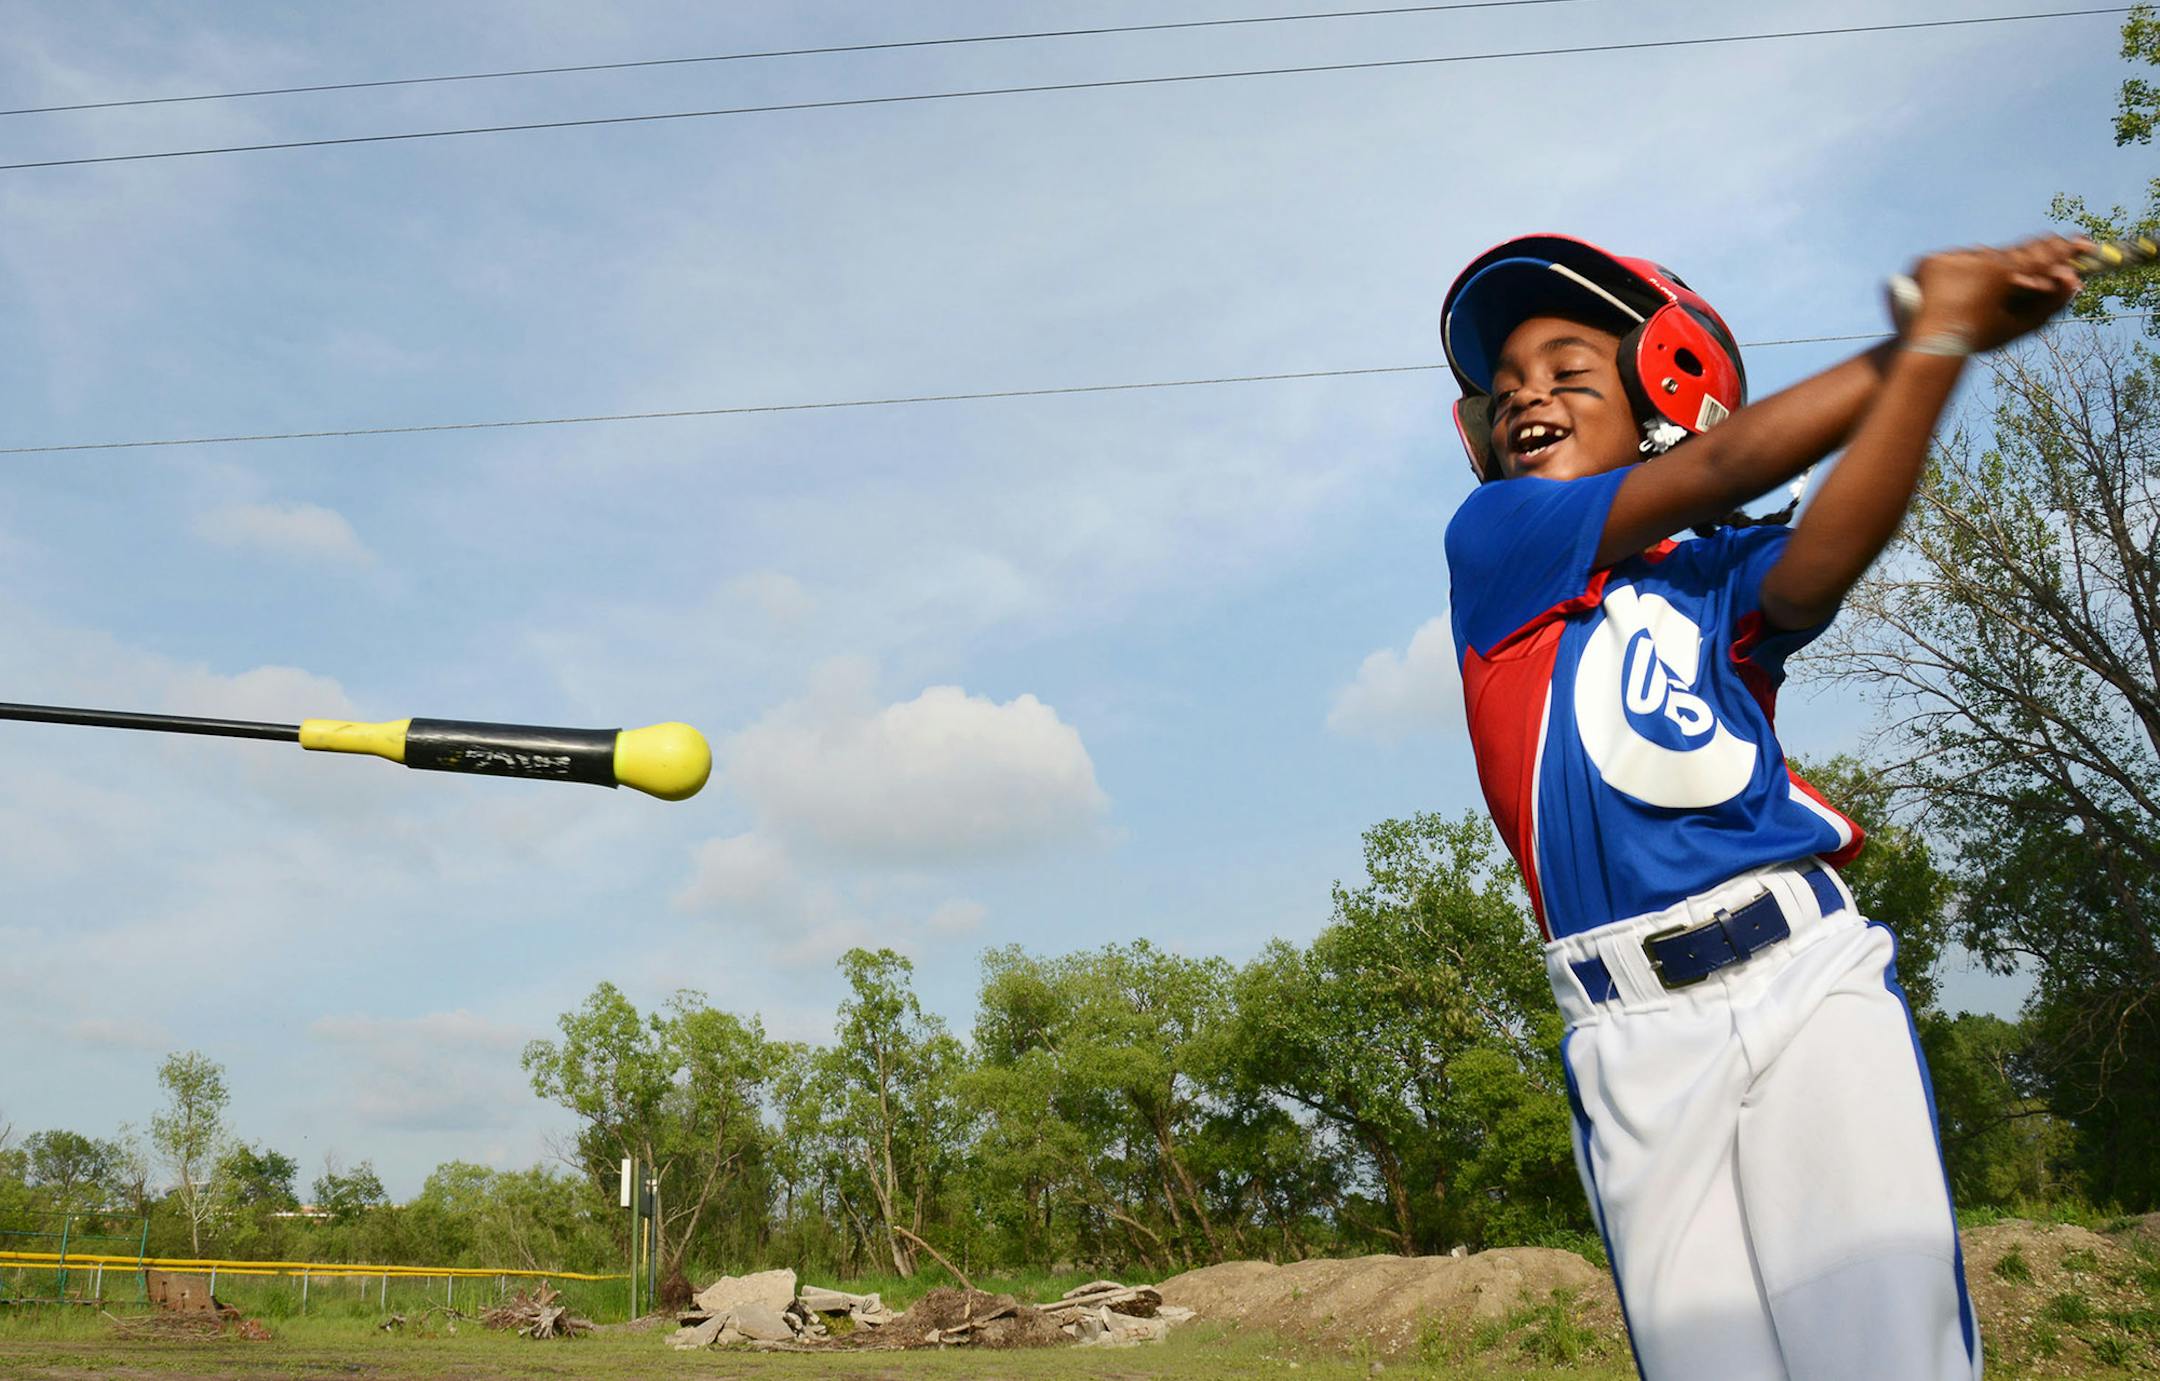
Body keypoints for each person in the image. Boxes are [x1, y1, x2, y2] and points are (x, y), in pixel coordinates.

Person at [1438, 233, 2087, 1380]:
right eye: (1506, 386)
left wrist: (1941, 345)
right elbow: (1722, 464)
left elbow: (1818, 555)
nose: (1527, 390)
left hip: (1801, 982)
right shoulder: (1498, 541)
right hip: (1629, 1035)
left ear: (1659, 396)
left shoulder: (1715, 574)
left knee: (1886, 1355)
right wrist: (1930, 330)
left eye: (1570, 368)